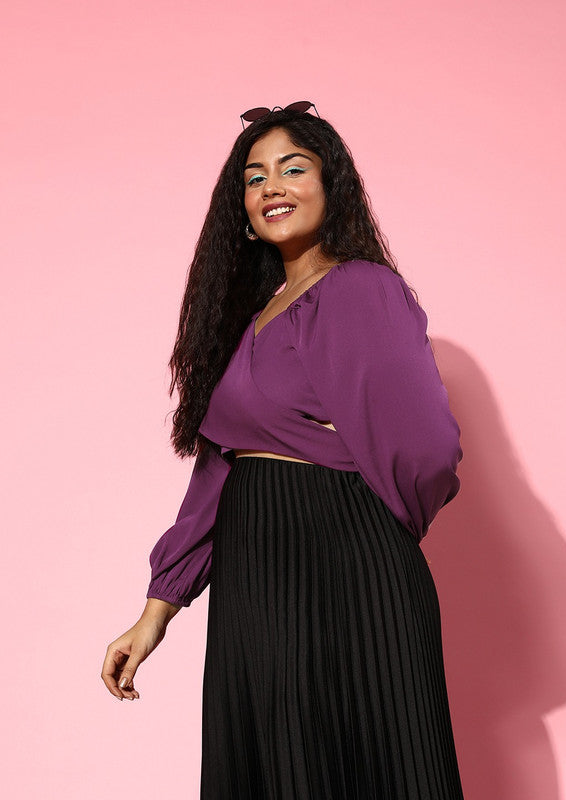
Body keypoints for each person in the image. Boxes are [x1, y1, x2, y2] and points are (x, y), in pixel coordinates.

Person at [101, 102, 465, 799]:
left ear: (332, 187)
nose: (272, 185)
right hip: (254, 574)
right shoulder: (248, 322)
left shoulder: (360, 288)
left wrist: (367, 523)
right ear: (240, 207)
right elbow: (217, 472)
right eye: (255, 176)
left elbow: (427, 446)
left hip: (345, 564)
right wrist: (156, 612)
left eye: (293, 169)